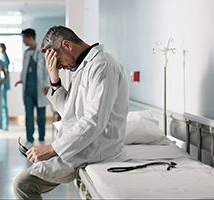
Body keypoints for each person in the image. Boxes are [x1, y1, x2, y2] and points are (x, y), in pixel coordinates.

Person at [13, 26, 129, 199]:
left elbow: (93, 121)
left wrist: (52, 149)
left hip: (96, 150)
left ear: (67, 45)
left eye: (56, 60)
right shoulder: (84, 67)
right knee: (24, 183)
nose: (58, 66)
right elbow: (69, 111)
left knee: (23, 185)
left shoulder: (103, 66)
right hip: (80, 146)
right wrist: (54, 78)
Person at [15, 28, 50, 148]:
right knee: (28, 115)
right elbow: (25, 69)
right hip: (28, 90)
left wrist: (47, 84)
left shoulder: (42, 52)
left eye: (24, 38)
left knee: (41, 116)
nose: (23, 41)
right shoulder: (26, 53)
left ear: (30, 38)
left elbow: (46, 70)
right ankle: (29, 138)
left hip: (40, 88)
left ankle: (41, 138)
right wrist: (21, 79)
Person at [0, 43, 10, 131]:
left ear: (1, 48)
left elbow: (3, 73)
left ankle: (4, 126)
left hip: (2, 85)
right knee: (2, 105)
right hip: (2, 84)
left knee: (3, 105)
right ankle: (3, 125)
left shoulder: (3, 59)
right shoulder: (3, 58)